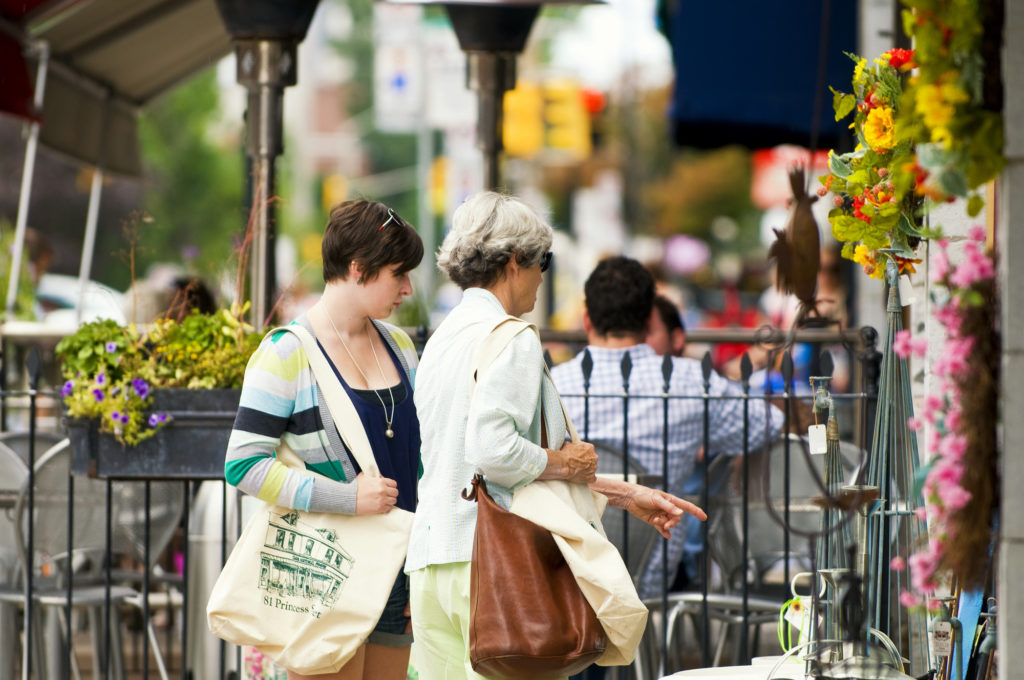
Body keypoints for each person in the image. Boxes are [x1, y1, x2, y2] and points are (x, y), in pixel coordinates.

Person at [408, 191, 706, 679]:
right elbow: (494, 451)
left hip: (432, 560)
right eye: (542, 261)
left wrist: (624, 493)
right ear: (513, 263)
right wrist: (568, 463)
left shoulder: (443, 338)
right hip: (494, 568)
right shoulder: (514, 338)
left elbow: (476, 463)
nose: (543, 276)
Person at [225, 199, 424, 680]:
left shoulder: (400, 346)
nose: (407, 288)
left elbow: (421, 457)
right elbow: (243, 465)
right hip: (330, 569)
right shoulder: (286, 353)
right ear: (358, 268)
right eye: (397, 273)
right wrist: (347, 498)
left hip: (398, 563)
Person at [551, 256, 785, 600]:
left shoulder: (555, 384)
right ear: (650, 319)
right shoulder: (692, 380)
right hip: (650, 577)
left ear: (586, 319)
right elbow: (767, 424)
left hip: (567, 573)